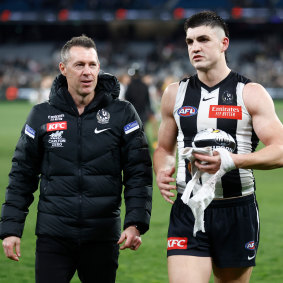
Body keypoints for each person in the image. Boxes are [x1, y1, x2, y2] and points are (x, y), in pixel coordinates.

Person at [0, 35, 153, 283]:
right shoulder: (41, 115)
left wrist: (135, 223)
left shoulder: (122, 113)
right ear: (63, 69)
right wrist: (10, 230)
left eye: (92, 65)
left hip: (102, 236)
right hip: (53, 237)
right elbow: (22, 175)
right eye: (79, 65)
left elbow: (139, 173)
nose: (87, 72)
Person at [153, 11, 283, 283]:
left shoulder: (250, 93)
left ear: (224, 43)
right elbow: (164, 149)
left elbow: (280, 149)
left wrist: (232, 161)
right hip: (188, 208)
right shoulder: (174, 94)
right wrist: (163, 170)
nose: (195, 47)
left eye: (203, 39)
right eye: (189, 41)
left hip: (236, 209)